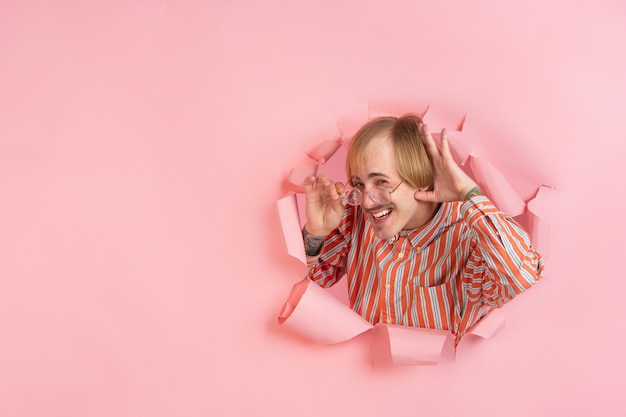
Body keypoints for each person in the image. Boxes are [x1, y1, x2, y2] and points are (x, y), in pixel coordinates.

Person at [302, 114, 544, 346]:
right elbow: (312, 282)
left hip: (439, 386)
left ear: (422, 178)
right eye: (358, 185)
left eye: (382, 183)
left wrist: (468, 194)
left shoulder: (469, 235)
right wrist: (316, 233)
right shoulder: (355, 218)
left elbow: (520, 277)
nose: (367, 202)